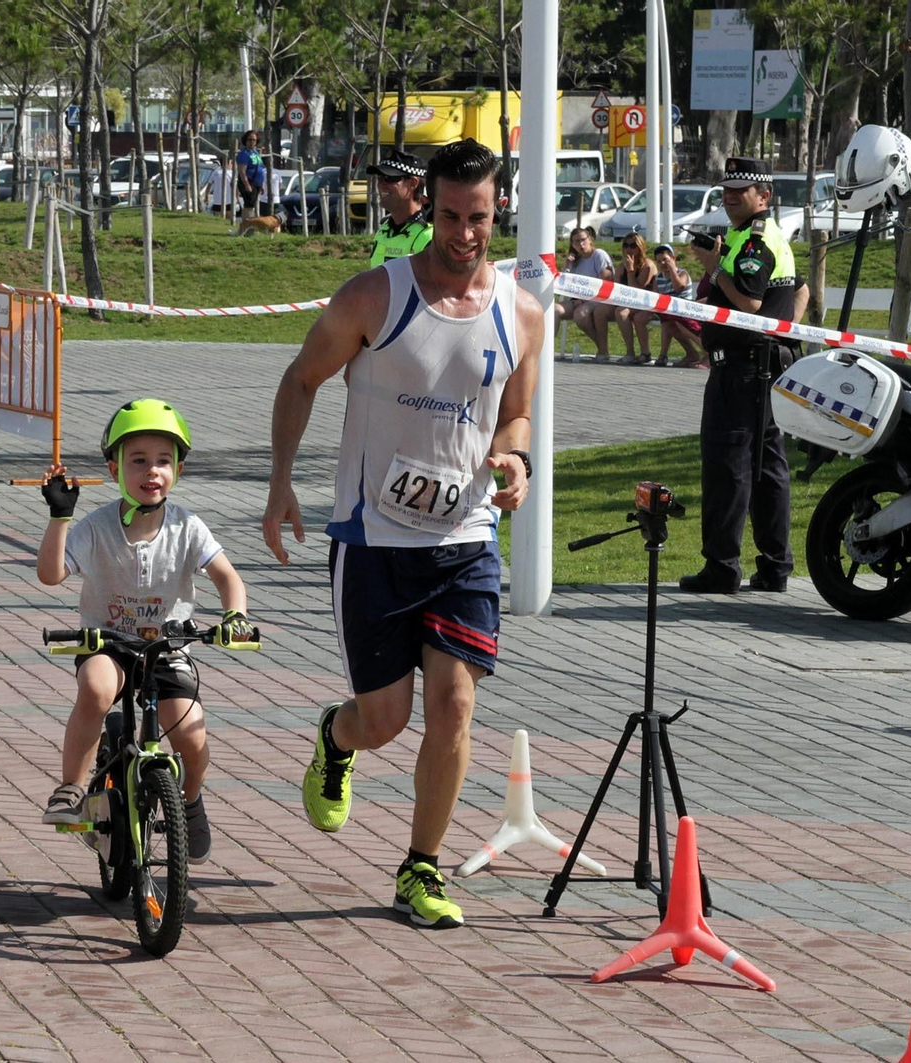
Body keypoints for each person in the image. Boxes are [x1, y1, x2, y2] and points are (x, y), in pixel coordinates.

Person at [261, 139, 540, 929]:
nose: (463, 234)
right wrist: (280, 483)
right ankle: (337, 735)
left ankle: (421, 867)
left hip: (465, 541)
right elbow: (301, 379)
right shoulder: (374, 296)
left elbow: (516, 413)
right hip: (373, 540)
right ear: (429, 207)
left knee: (453, 704)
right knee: (384, 720)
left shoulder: (522, 313)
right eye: (449, 216)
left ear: (497, 210)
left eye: (477, 218)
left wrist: (514, 459)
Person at [35, 399, 253, 865]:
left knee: (190, 736)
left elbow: (228, 579)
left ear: (178, 470)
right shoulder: (96, 527)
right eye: (137, 460)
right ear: (114, 468)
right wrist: (59, 518)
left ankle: (189, 801)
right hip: (108, 643)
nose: (151, 471)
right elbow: (51, 575)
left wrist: (235, 616)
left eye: (163, 461)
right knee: (96, 690)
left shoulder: (187, 526)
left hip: (168, 647)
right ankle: (71, 788)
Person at [679, 156, 797, 595]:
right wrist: (783, 335)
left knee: (728, 466)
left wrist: (714, 268)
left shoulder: (755, 240)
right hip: (762, 366)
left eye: (739, 191)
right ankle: (775, 567)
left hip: (743, 368)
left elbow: (749, 303)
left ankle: (722, 568)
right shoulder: (759, 235)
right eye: (726, 190)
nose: (729, 198)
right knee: (767, 469)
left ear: (763, 195)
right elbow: (800, 289)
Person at [552, 227, 616, 363]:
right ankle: (547, 350)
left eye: (583, 240)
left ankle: (603, 348)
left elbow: (606, 282)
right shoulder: (576, 260)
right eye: (576, 242)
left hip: (599, 299)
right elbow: (565, 285)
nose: (580, 244)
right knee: (554, 309)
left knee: (580, 315)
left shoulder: (599, 255)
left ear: (590, 239)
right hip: (577, 300)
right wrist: (567, 265)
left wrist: (583, 300)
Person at [645, 244, 707, 368]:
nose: (663, 263)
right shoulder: (658, 278)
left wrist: (673, 270)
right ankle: (689, 353)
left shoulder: (683, 273)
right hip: (670, 314)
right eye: (659, 261)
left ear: (673, 258)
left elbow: (679, 288)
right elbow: (656, 297)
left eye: (665, 260)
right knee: (667, 322)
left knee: (675, 320)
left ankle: (707, 351)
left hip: (686, 312)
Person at [367, 150, 433, 268]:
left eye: (389, 178)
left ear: (413, 183)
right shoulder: (384, 230)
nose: (381, 184)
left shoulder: (431, 235)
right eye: (380, 178)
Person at [613, 233, 657, 365]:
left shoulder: (648, 266)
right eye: (626, 245)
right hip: (626, 302)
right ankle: (602, 351)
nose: (628, 249)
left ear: (641, 247)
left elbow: (637, 293)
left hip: (645, 303)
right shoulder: (622, 266)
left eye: (633, 246)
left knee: (621, 312)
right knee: (599, 311)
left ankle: (630, 353)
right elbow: (615, 288)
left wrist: (630, 270)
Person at [235, 130, 267, 219]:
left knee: (251, 205)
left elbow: (260, 168)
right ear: (245, 140)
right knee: (248, 205)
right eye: (249, 140)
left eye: (254, 140)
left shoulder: (255, 152)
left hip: (257, 183)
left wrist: (261, 185)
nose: (252, 142)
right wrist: (247, 184)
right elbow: (242, 171)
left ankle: (250, 224)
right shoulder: (244, 154)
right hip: (248, 182)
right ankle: (246, 224)